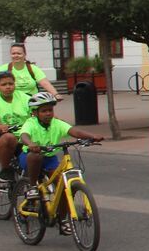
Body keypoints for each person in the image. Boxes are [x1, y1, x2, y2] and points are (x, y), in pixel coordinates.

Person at [18, 93, 105, 230]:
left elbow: (73, 131)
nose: (48, 113)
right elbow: (24, 135)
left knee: (64, 186)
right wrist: (30, 143)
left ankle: (62, 219)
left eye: (50, 110)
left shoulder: (56, 123)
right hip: (30, 158)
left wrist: (92, 136)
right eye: (44, 111)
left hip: (50, 158)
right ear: (35, 113)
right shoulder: (31, 123)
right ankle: (33, 186)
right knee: (36, 156)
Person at [0, 70, 31, 181]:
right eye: (4, 84)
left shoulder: (25, 98)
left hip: (25, 136)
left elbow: (35, 112)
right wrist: (0, 126)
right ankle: (6, 170)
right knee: (9, 138)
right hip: (4, 136)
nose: (8, 87)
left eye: (10, 84)